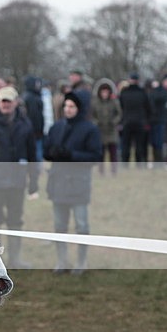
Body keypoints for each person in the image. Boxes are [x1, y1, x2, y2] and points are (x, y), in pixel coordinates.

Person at [0, 86, 39, 269]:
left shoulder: (25, 124)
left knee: (15, 221)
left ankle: (15, 259)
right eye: (3, 101)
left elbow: (33, 155)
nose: (6, 104)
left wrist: (33, 181)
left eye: (9, 101)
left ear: (16, 102)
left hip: (17, 183)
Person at [44, 92, 103, 275]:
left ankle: (81, 262)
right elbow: (47, 151)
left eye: (72, 107)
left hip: (78, 185)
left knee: (81, 226)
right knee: (59, 226)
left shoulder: (90, 129)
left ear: (79, 109)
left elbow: (95, 157)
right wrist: (52, 152)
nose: (68, 110)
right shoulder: (56, 127)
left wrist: (72, 155)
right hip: (58, 184)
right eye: (66, 106)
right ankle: (62, 261)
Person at [118, 72, 152, 167]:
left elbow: (120, 107)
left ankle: (125, 165)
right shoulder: (142, 93)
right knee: (139, 145)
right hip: (140, 122)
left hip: (126, 122)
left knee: (126, 145)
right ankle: (139, 165)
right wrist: (146, 120)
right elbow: (148, 108)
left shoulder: (124, 93)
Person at [90, 78, 122, 175]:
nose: (104, 94)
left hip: (111, 130)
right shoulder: (95, 102)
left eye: (106, 92)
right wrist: (96, 122)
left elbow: (119, 114)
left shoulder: (114, 101)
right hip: (100, 131)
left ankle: (114, 171)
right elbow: (92, 115)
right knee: (101, 153)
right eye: (103, 92)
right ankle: (101, 171)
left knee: (113, 153)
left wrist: (114, 122)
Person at [22, 76, 45, 162]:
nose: (38, 85)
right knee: (36, 155)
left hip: (35, 131)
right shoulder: (31, 98)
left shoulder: (34, 96)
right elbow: (34, 116)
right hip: (34, 132)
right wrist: (37, 130)